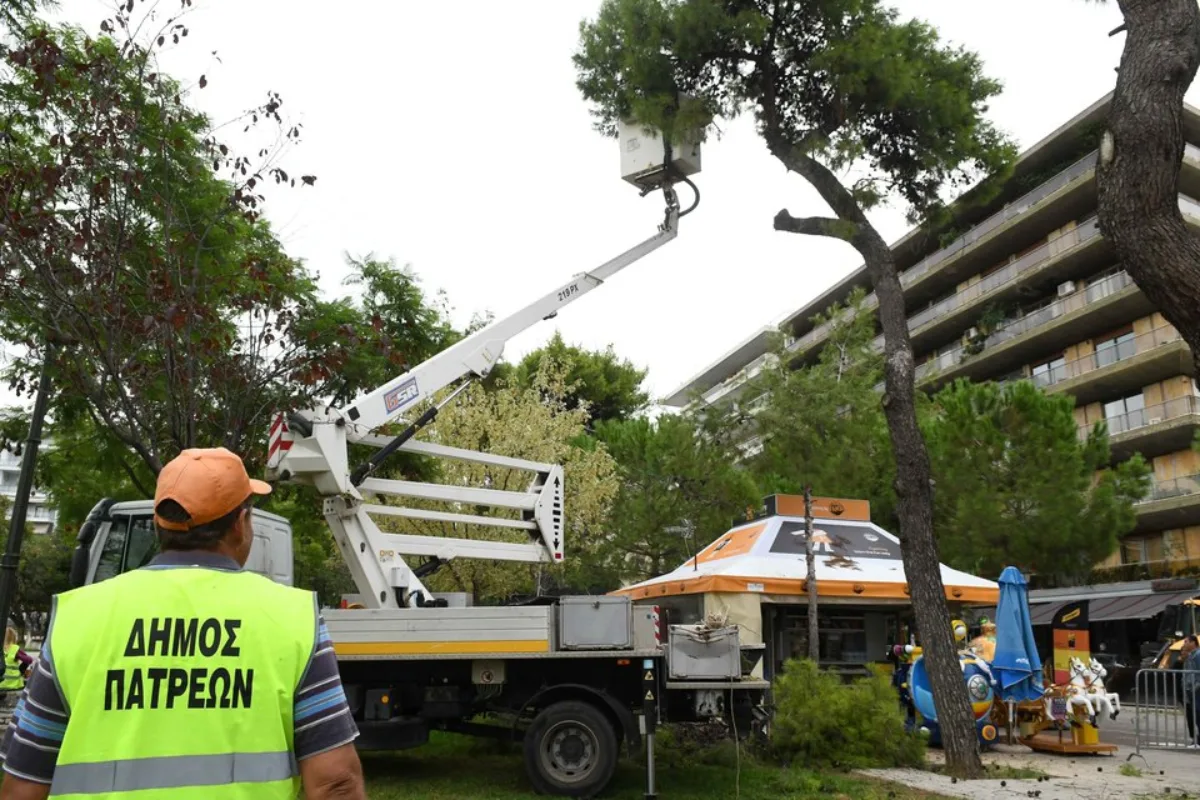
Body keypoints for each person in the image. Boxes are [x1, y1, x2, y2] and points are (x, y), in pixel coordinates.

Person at [0, 447, 366, 799]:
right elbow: (336, 784)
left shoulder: (78, 618)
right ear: (240, 524)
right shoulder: (292, 619)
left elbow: (24, 784)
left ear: (161, 525)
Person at [0, 628, 31, 714]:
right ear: (14, 637)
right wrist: (21, 670)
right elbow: (29, 660)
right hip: (13, 683)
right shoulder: (14, 649)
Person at [1183, 635, 1200, 749]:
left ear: (1193, 643)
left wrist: (1196, 686)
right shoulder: (1190, 656)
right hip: (1191, 690)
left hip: (1197, 689)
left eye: (1186, 641)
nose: (1184, 644)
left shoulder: (1198, 655)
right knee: (1196, 716)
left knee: (1199, 714)